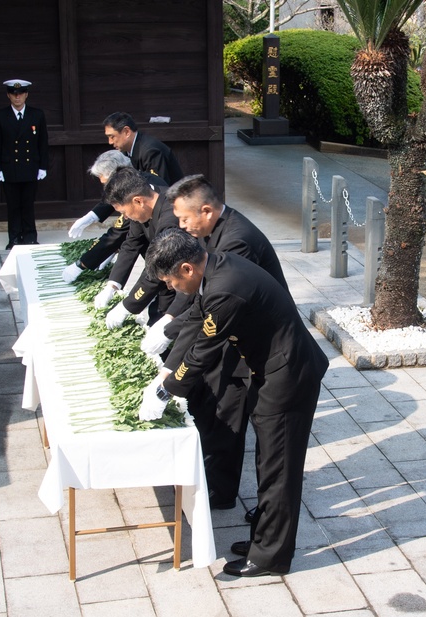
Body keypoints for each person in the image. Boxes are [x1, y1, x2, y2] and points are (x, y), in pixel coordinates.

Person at [140, 228, 328, 578]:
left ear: (186, 269)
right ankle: (264, 537)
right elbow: (198, 314)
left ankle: (270, 557)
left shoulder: (225, 286)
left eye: (169, 281)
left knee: (279, 470)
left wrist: (167, 387)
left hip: (288, 377)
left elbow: (202, 352)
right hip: (271, 370)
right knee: (267, 461)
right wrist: (167, 332)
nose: (169, 289)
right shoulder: (216, 268)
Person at [141, 175, 292, 510]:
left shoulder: (237, 240)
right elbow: (200, 307)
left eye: (183, 218)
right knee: (209, 404)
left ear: (206, 211)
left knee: (226, 411)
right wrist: (169, 340)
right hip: (231, 328)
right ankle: (213, 479)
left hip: (255, 344)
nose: (180, 225)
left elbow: (213, 312)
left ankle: (221, 492)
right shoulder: (213, 232)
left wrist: (169, 382)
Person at [61, 150, 166, 283]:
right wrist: (91, 216)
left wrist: (81, 264)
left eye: (107, 183)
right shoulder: (138, 179)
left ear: (117, 175)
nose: (107, 187)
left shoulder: (137, 195)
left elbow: (117, 235)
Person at [95, 166, 180, 328]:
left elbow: (160, 263)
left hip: (183, 282)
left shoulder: (171, 215)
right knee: (156, 317)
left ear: (138, 201)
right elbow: (131, 244)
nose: (125, 217)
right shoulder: (144, 205)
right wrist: (112, 285)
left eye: (125, 212)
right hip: (167, 279)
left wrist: (128, 306)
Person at [0, 79, 49, 250]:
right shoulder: (0, 116)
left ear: (26, 95)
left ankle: (30, 236)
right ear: (9, 95)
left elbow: (43, 143)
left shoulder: (36, 114)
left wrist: (43, 166)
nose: (18, 97)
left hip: (31, 167)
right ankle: (15, 237)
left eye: (21, 94)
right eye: (14, 94)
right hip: (10, 168)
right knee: (13, 205)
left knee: (28, 204)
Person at [103, 112, 183, 185]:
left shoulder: (150, 151)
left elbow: (158, 187)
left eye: (112, 137)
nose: (110, 142)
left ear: (127, 132)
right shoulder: (125, 150)